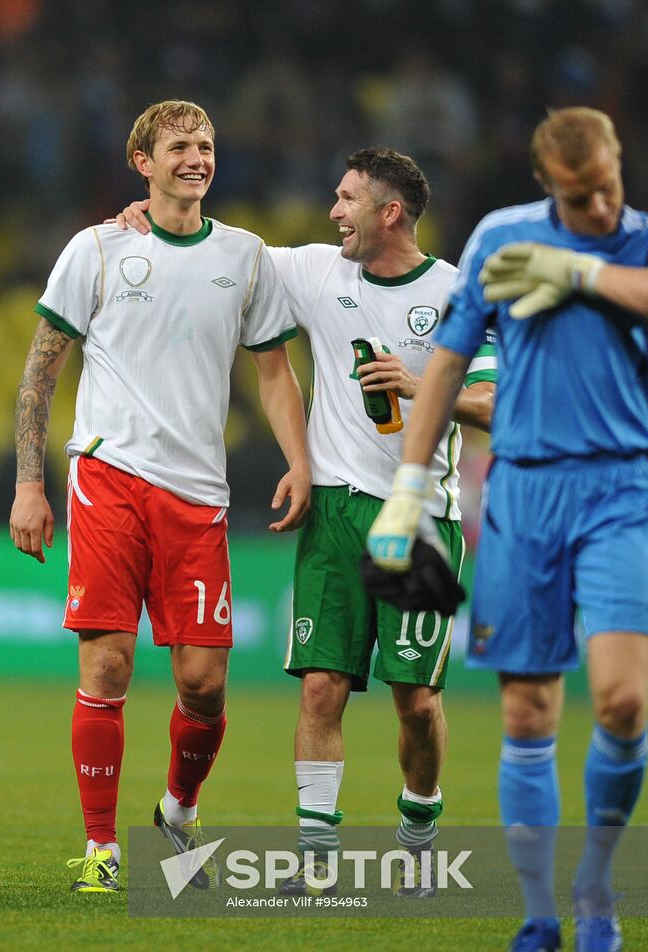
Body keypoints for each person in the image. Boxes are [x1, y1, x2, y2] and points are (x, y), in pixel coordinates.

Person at [117, 147, 496, 895]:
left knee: (416, 702)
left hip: (418, 517)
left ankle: (418, 833)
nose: (333, 212)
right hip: (333, 513)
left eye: (347, 198)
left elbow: (497, 402)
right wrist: (147, 215)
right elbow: (223, 245)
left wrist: (424, 386)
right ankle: (317, 859)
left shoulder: (457, 295)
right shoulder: (319, 271)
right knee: (320, 687)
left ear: (390, 212)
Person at [368, 107, 648, 952]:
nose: (600, 202)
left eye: (608, 185)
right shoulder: (501, 237)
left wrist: (575, 269)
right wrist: (405, 487)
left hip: (618, 488)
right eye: (580, 197)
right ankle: (540, 913)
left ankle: (598, 880)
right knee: (527, 711)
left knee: (620, 701)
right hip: (525, 492)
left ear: (620, 163)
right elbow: (447, 370)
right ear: (547, 185)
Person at [9, 99, 310, 894]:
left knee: (204, 685)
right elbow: (42, 370)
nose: (197, 158)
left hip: (197, 497)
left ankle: (178, 813)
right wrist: (29, 485)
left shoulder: (246, 256)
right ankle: (103, 851)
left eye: (207, 145)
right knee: (107, 663)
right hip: (107, 480)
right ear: (143, 162)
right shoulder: (98, 248)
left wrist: (300, 460)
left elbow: (274, 371)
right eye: (180, 146)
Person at [476, 233, 648, 616]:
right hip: (529, 485)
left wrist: (583, 274)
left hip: (629, 485)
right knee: (529, 667)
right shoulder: (499, 239)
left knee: (622, 658)